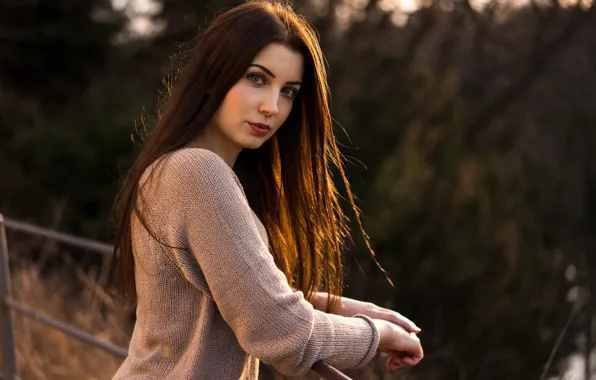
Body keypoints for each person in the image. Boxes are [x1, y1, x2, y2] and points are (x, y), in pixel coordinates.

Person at [109, 1, 423, 379]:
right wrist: (379, 335)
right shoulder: (199, 172)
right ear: (215, 75)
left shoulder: (180, 167)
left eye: (288, 91)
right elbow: (281, 332)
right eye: (257, 78)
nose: (272, 106)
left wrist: (340, 306)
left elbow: (235, 288)